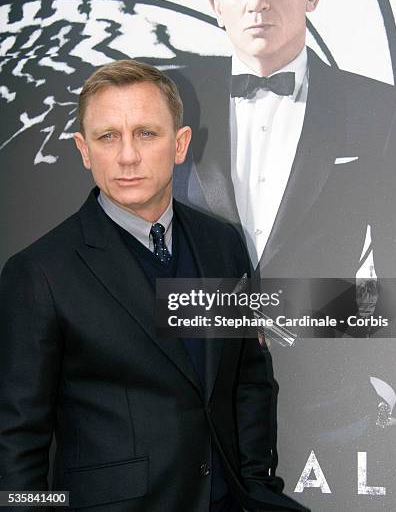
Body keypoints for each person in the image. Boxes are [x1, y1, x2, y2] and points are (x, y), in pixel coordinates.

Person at [0, 60, 308, 512]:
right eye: (108, 137)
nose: (127, 156)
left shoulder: (221, 244)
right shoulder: (39, 273)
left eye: (146, 133)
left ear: (179, 144)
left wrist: (255, 483)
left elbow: (247, 378)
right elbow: (14, 442)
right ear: (84, 151)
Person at [173, 0, 396, 332]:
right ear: (216, 7)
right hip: (191, 376)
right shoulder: (168, 102)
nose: (256, 0)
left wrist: (296, 313)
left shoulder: (384, 110)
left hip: (329, 385)